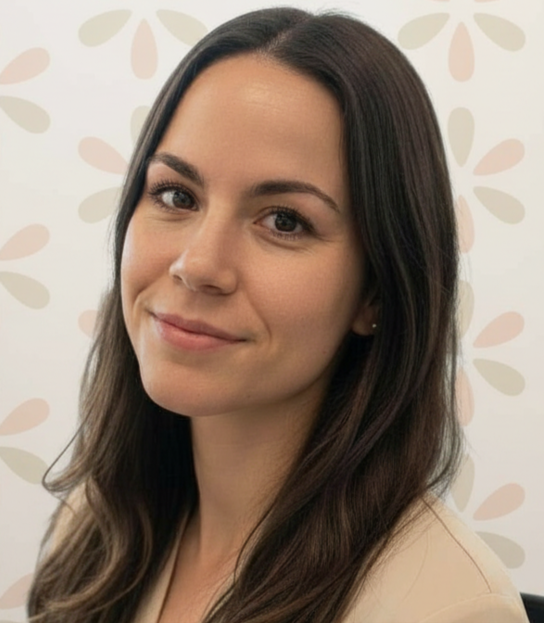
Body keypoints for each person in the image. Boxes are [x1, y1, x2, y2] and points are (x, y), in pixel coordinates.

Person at [28, 7, 529, 623]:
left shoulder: (447, 608)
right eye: (176, 195)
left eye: (285, 221)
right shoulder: (94, 527)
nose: (197, 264)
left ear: (377, 293)